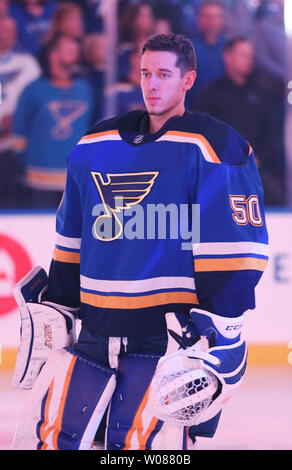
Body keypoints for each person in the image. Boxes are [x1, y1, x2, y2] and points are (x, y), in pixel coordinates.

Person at [12, 33, 268, 451]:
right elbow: (71, 237)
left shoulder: (214, 146)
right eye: (146, 73)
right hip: (94, 333)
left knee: (146, 448)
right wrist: (60, 303)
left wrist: (222, 331)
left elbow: (236, 250)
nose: (152, 84)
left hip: (165, 340)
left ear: (188, 80)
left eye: (164, 74)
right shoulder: (95, 144)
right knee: (54, 441)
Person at [196, 37, 284, 205]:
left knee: (274, 195)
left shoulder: (263, 94)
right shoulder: (210, 94)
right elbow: (202, 133)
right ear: (227, 56)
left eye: (251, 56)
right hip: (219, 169)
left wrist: (258, 158)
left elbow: (272, 132)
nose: (249, 60)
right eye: (243, 55)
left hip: (257, 169)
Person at [12, 34, 93, 209]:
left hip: (76, 180)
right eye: (69, 51)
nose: (76, 55)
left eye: (76, 51)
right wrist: (31, 164)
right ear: (53, 55)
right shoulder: (33, 90)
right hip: (40, 181)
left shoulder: (85, 88)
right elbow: (18, 135)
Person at [0, 15, 41, 207]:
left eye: (13, 30)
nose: (12, 35)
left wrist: (17, 120)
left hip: (13, 146)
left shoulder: (27, 64)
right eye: (6, 29)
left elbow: (38, 101)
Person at [186, 0, 226, 109]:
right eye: (207, 17)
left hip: (225, 113)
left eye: (216, 17)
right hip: (196, 112)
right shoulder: (187, 49)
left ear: (222, 20)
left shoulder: (229, 48)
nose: (212, 22)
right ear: (199, 20)